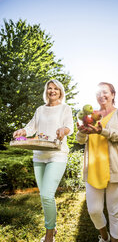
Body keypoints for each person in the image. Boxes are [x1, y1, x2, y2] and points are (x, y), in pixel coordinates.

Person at [13, 79, 74, 242]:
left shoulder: (65, 108)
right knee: (45, 195)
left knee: (47, 194)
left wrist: (63, 130)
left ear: (60, 91)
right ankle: (52, 227)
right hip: (39, 155)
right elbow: (31, 127)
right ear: (46, 91)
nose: (52, 91)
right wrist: (22, 131)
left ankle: (49, 235)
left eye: (55, 88)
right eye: (49, 88)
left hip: (57, 154)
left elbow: (70, 126)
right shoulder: (40, 110)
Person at [76, 82, 118, 242]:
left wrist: (102, 131)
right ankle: (104, 237)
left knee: (115, 211)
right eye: (98, 93)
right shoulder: (91, 116)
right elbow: (81, 140)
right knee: (94, 210)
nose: (101, 95)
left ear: (113, 94)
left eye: (105, 92)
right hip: (93, 168)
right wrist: (81, 131)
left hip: (116, 167)